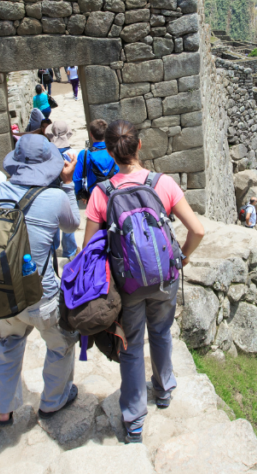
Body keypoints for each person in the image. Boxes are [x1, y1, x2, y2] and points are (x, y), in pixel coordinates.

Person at [81, 120, 205, 443]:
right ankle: (163, 390)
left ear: (109, 152)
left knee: (132, 345)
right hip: (164, 277)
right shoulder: (161, 184)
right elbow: (198, 230)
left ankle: (134, 419)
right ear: (139, 146)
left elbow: (87, 251)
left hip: (129, 284)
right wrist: (183, 257)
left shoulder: (101, 194)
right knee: (161, 333)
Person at [0, 135, 81, 426]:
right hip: (41, 296)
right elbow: (72, 225)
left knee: (8, 343)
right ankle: (52, 401)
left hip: (3, 294)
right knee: (61, 344)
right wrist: (67, 183)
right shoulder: (54, 197)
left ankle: (2, 408)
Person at [47, 119, 78, 260]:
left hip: (51, 190)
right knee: (68, 218)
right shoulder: (72, 153)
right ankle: (69, 250)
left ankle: (52, 248)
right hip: (66, 188)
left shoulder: (47, 153)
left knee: (52, 221)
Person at [73, 119, 118, 200]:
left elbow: (77, 178)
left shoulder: (84, 154)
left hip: (95, 197)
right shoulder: (114, 151)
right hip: (114, 195)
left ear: (91, 134)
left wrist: (80, 194)